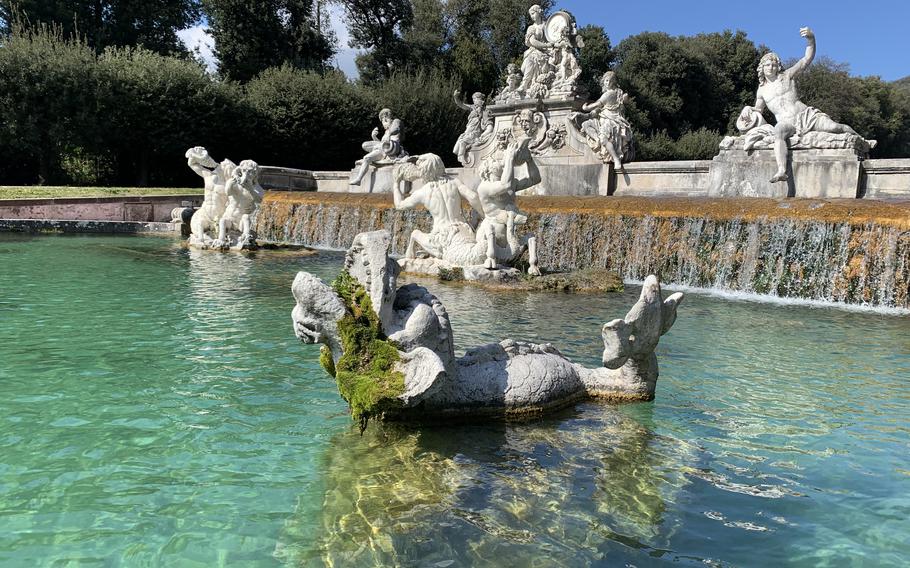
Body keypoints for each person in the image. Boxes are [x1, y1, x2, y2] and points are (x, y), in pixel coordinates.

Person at [751, 27, 857, 183]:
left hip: (806, 116)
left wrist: (811, 39)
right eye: (767, 65)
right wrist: (748, 112)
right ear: (762, 68)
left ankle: (859, 139)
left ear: (778, 66)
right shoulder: (761, 91)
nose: (771, 67)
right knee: (778, 131)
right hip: (787, 123)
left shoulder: (787, 75)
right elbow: (757, 111)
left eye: (774, 65)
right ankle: (781, 171)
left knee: (835, 127)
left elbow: (806, 59)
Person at [578, 71, 634, 169]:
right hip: (605, 120)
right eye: (606, 80)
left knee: (604, 138)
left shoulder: (609, 94)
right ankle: (597, 139)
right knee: (586, 125)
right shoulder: (618, 93)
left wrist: (585, 108)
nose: (607, 83)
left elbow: (596, 105)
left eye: (609, 81)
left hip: (610, 121)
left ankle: (616, 159)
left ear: (613, 82)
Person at [351, 108, 406, 185]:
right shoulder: (386, 132)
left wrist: (389, 134)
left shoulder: (396, 121)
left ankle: (358, 179)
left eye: (383, 121)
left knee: (368, 156)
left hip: (391, 148)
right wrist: (373, 136)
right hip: (383, 148)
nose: (383, 125)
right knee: (365, 147)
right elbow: (381, 144)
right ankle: (359, 179)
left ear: (386, 118)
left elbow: (396, 129)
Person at [519, 5, 553, 95]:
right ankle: (525, 83)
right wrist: (546, 45)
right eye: (531, 15)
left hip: (548, 52)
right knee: (530, 59)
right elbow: (532, 41)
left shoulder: (547, 26)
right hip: (535, 50)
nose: (532, 16)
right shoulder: (531, 28)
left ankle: (525, 84)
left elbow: (553, 38)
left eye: (533, 13)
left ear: (539, 12)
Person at [452, 91, 493, 165]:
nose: (474, 101)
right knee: (455, 149)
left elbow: (489, 125)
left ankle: (462, 158)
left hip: (475, 131)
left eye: (475, 99)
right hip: (468, 130)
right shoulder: (473, 108)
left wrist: (483, 134)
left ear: (480, 99)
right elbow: (461, 104)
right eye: (473, 99)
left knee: (462, 142)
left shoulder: (485, 111)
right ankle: (463, 156)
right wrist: (456, 97)